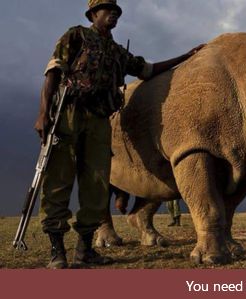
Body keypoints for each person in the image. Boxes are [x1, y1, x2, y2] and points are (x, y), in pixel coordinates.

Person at [34, 0, 204, 269]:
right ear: (93, 14)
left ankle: (85, 251)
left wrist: (187, 55)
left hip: (101, 120)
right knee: (59, 179)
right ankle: (57, 251)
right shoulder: (76, 35)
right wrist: (44, 113)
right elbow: (52, 73)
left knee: (97, 183)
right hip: (69, 113)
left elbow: (148, 70)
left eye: (117, 11)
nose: (113, 14)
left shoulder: (116, 52)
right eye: (107, 10)